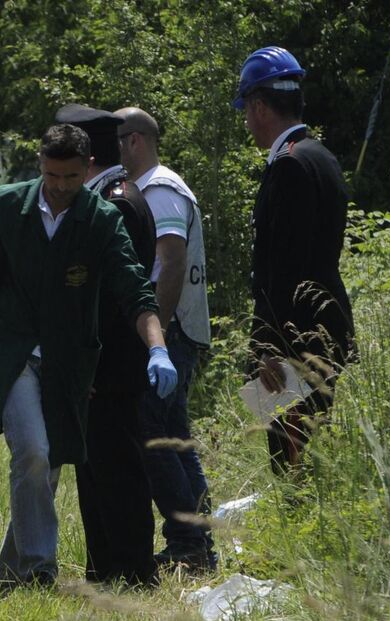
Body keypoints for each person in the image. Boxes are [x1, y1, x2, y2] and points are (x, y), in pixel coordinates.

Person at [0, 124, 178, 592]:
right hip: (14, 353)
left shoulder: (101, 219)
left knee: (49, 462)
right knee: (34, 452)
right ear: (40, 166)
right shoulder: (8, 206)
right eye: (51, 175)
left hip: (67, 362)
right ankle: (40, 569)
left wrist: (157, 347)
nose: (60, 187)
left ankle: (10, 573)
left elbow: (135, 290)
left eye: (71, 177)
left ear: (88, 169)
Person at [233, 46, 355, 473]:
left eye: (246, 110)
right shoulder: (320, 156)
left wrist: (269, 349)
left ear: (259, 106)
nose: (247, 121)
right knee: (312, 456)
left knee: (290, 466)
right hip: (323, 328)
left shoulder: (288, 166)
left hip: (295, 342)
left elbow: (284, 269)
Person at [54, 105, 158, 587]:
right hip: (104, 363)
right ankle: (107, 567)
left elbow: (111, 297)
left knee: (117, 468)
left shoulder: (115, 204)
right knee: (96, 468)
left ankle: (131, 570)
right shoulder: (110, 196)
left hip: (109, 363)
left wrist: (88, 365)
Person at [116, 106, 216, 572]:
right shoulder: (156, 187)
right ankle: (196, 541)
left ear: (134, 140)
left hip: (169, 331)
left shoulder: (159, 190)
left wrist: (155, 335)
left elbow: (171, 262)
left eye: (115, 141)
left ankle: (188, 540)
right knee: (174, 437)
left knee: (151, 433)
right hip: (172, 330)